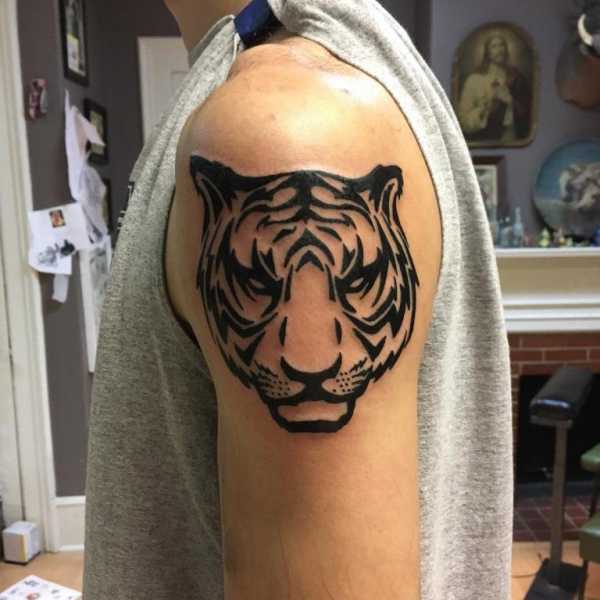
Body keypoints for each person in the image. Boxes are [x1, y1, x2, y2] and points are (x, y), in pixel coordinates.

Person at [82, 1, 513, 599]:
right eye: (257, 280)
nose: (311, 360)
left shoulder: (287, 126)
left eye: (358, 278)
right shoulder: (299, 71)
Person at [457, 33, 532, 144]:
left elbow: (528, 114)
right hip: (483, 139)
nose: (499, 50)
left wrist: (510, 101)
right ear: (487, 52)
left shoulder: (517, 78)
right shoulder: (474, 80)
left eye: (502, 45)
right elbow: (464, 120)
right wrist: (487, 108)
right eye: (494, 46)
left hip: (511, 138)